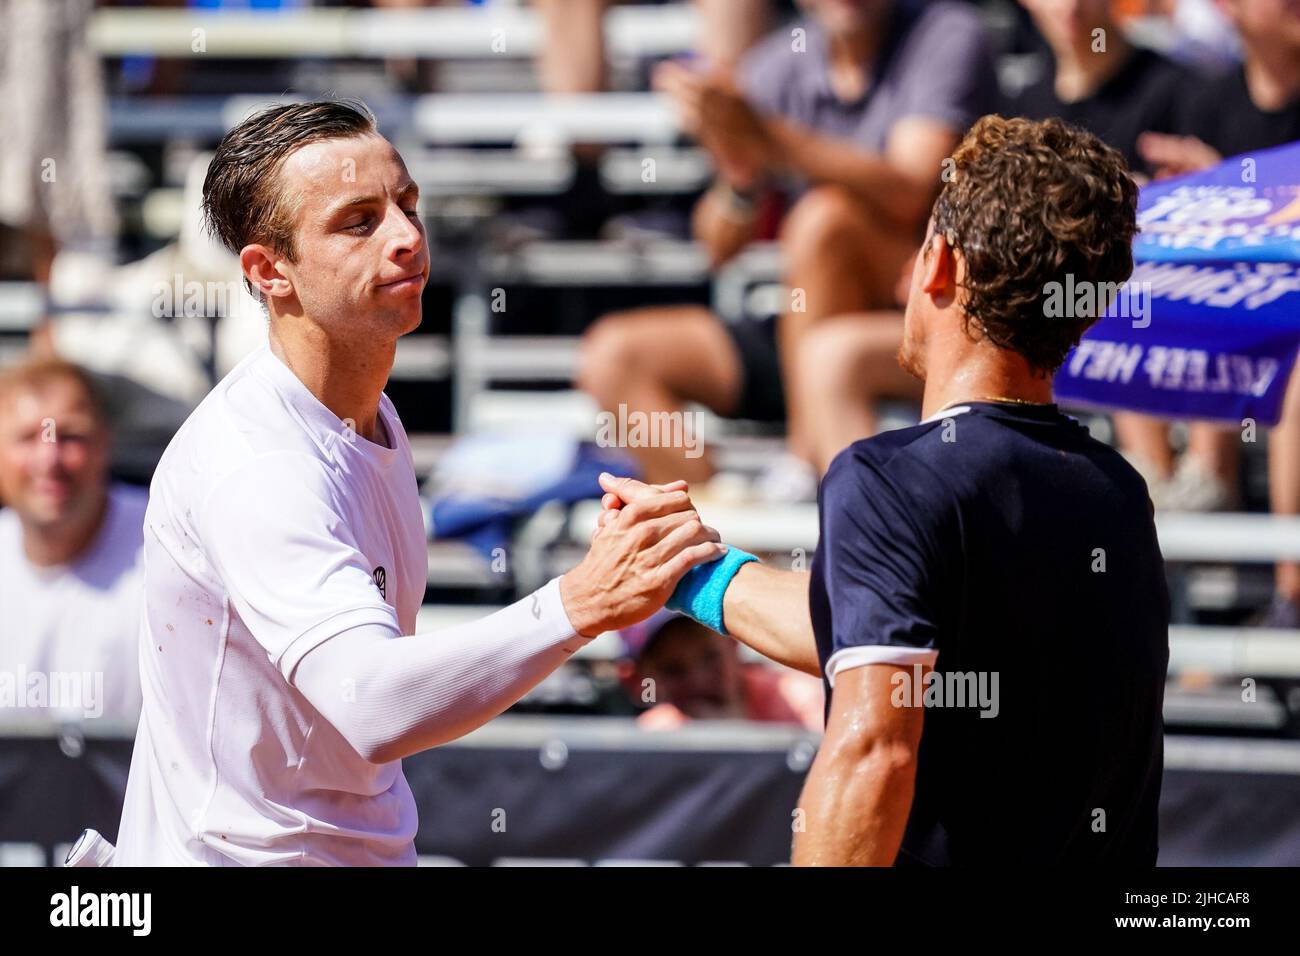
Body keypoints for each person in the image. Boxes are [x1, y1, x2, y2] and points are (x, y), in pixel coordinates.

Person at [111, 100, 726, 867]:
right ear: (270, 272)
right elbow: (373, 706)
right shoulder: (257, 463)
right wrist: (582, 602)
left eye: (407, 205)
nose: (407, 237)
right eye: (359, 221)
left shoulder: (371, 418)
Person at [599, 116, 1170, 865]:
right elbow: (891, 629)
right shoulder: (1118, 494)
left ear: (939, 264)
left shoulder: (891, 480)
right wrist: (692, 571)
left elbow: (876, 750)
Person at [577, 0, 996, 494]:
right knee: (613, 357)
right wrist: (740, 176)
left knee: (825, 222)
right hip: (804, 318)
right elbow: (716, 247)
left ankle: (806, 454)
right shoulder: (776, 64)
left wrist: (768, 138)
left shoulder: (946, 32)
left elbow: (910, 189)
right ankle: (710, 521)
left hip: (925, 316)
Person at [1119, 0, 1300, 623]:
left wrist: (1228, 191)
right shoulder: (1204, 101)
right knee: (1137, 269)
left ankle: (1290, 592)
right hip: (1239, 317)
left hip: (1288, 329)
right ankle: (1168, 479)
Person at [0, 357, 144, 724]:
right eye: (27, 437)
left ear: (104, 445)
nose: (48, 459)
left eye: (70, 437)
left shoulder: (166, 544)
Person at [623, 609, 822, 729]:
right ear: (638, 680)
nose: (697, 680)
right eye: (672, 670)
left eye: (710, 658)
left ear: (735, 642)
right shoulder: (654, 738)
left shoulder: (802, 702)